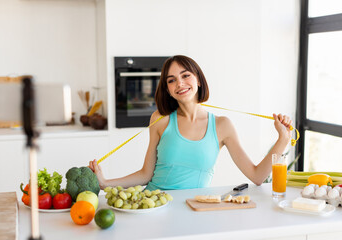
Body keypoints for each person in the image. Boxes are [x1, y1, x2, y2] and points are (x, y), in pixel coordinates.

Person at [89, 55, 292, 191]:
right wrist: (105, 183)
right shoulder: (161, 119)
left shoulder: (222, 126)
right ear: (167, 89)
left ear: (198, 80)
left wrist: (282, 139)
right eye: (171, 80)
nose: (180, 84)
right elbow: (146, 174)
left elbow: (257, 176)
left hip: (195, 208)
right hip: (153, 204)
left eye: (186, 75)